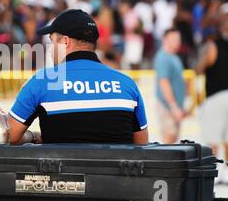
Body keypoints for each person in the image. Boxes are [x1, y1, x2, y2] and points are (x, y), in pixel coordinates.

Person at [8, 9, 149, 145]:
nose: (50, 49)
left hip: (63, 169)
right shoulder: (127, 84)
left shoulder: (42, 81)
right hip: (115, 169)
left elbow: (9, 136)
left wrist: (33, 136)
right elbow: (142, 144)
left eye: (52, 42)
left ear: (65, 41)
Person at [196, 13, 228, 185]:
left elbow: (199, 68)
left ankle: (216, 171)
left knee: (213, 137)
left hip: (216, 95)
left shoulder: (212, 46)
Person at [154, 28, 188, 144]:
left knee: (173, 140)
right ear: (165, 39)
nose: (177, 42)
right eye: (173, 39)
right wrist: (173, 106)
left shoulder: (174, 57)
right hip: (167, 106)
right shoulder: (163, 57)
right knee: (169, 140)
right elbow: (164, 82)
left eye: (178, 39)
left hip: (174, 106)